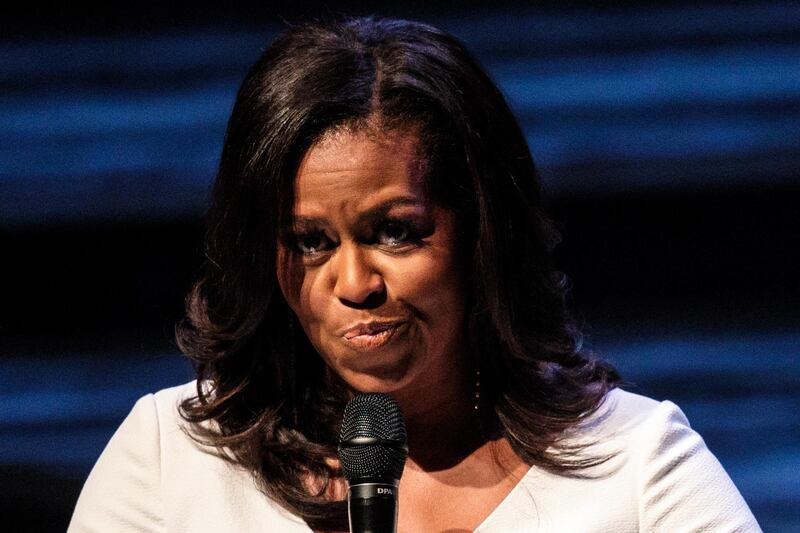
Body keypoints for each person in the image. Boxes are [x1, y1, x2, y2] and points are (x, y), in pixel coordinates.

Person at [68, 15, 761, 533]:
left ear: (481, 238)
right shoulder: (172, 454)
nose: (354, 283)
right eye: (309, 241)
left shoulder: (631, 461)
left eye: (396, 231)